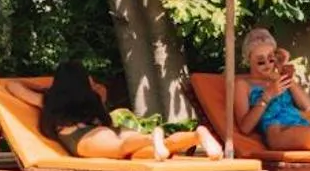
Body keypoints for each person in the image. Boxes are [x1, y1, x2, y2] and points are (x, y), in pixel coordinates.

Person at [13, 61, 223, 162]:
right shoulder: (95, 96)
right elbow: (95, 86)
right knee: (162, 149)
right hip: (108, 129)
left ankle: (152, 137)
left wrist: (45, 86)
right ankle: (197, 135)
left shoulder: (49, 101)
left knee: (122, 147)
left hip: (84, 138)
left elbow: (14, 87)